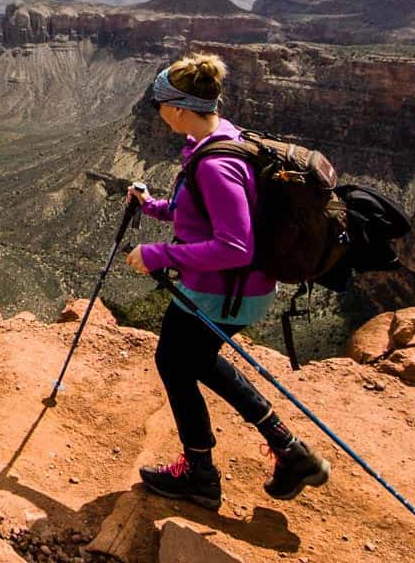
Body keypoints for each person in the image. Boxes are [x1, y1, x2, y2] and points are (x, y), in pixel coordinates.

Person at [124, 53, 329, 511]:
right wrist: (152, 206)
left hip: (224, 292)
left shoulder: (214, 163)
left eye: (160, 105)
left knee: (176, 364)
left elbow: (235, 245)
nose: (157, 115)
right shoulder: (220, 137)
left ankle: (201, 476)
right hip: (238, 290)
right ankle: (289, 450)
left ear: (177, 108)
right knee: (196, 361)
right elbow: (200, 210)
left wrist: (158, 254)